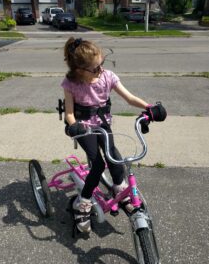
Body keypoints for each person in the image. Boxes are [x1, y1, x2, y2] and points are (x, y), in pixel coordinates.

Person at [61, 37, 166, 233]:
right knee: (98, 164)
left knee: (115, 158)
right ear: (79, 70)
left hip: (103, 124)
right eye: (95, 68)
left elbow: (129, 97)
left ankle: (119, 187)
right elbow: (69, 113)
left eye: (101, 64)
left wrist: (149, 107)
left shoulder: (108, 76)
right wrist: (74, 126)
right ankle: (83, 202)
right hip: (84, 128)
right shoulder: (71, 83)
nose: (100, 70)